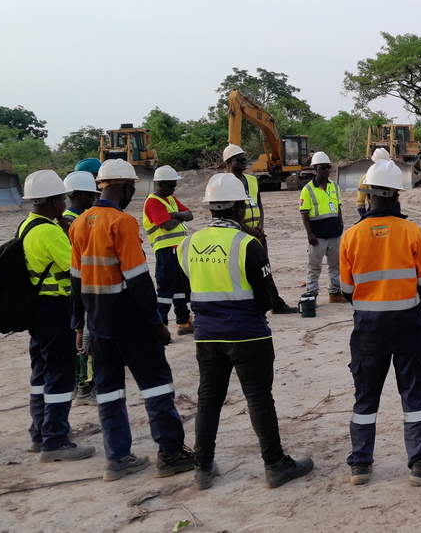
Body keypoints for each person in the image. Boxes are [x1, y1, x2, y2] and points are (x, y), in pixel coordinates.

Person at [180, 174, 314, 489]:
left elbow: (189, 287)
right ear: (239, 209)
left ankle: (202, 468)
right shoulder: (247, 244)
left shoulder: (187, 244)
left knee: (208, 400)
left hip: (207, 335)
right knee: (259, 399)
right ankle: (274, 464)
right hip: (248, 334)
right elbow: (266, 297)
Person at [69, 159, 194, 481]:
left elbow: (75, 281)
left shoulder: (78, 224)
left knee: (109, 392)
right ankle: (170, 452)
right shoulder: (122, 222)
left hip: (98, 323)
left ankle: (117, 458)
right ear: (126, 187)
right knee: (156, 385)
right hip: (130, 321)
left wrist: (79, 325)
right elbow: (138, 279)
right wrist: (157, 323)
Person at [339, 159, 421, 487]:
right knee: (413, 398)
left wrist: (371, 305)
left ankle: (360, 464)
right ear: (397, 195)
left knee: (365, 399)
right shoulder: (411, 231)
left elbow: (347, 290)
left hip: (368, 333)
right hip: (408, 329)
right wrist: (411, 307)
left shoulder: (351, 236)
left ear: (368, 195)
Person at [19, 170, 96, 463]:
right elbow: (77, 266)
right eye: (62, 199)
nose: (65, 203)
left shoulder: (27, 226)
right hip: (55, 309)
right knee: (60, 375)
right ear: (53, 202)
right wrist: (68, 234)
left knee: (41, 371)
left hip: (37, 310)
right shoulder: (50, 231)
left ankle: (40, 433)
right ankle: (56, 440)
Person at [222, 144, 296, 314]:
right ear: (228, 163)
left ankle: (275, 303)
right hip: (238, 234)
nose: (244, 162)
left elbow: (259, 205)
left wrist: (260, 226)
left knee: (264, 268)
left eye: (244, 159)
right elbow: (229, 214)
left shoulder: (252, 180)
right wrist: (250, 231)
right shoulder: (225, 184)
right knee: (245, 271)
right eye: (239, 160)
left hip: (257, 233)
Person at [62, 171, 102, 407]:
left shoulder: (80, 218)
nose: (94, 200)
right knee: (85, 339)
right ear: (75, 195)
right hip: (80, 286)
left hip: (82, 285)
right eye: (89, 195)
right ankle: (85, 388)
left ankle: (81, 385)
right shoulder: (69, 221)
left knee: (84, 338)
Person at [142, 166, 194, 336]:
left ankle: (183, 321)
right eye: (171, 185)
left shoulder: (169, 199)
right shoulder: (153, 202)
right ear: (159, 184)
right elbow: (167, 226)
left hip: (178, 250)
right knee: (165, 291)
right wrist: (178, 216)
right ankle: (161, 326)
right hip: (165, 251)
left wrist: (173, 215)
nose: (174, 189)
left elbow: (190, 214)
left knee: (180, 289)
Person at [300, 151, 346, 303]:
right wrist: (310, 234)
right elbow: (304, 213)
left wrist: (340, 223)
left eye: (328, 167)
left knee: (335, 265)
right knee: (314, 267)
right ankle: (311, 294)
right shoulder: (307, 190)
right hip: (317, 235)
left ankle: (335, 293)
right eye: (323, 167)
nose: (327, 170)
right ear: (315, 169)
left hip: (334, 233)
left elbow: (338, 207)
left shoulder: (334, 186)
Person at [356, 148, 392, 219]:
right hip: (382, 210)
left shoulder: (365, 178)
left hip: (378, 210)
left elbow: (360, 202)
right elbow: (360, 202)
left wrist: (364, 217)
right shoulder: (365, 178)